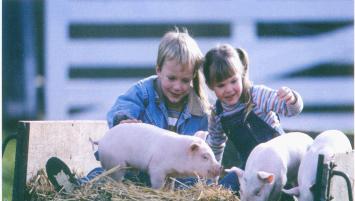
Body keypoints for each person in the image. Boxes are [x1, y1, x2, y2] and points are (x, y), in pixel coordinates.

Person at [46, 27, 211, 191]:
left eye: (185, 80)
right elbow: (124, 106)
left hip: (174, 180)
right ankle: (76, 188)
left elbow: (201, 152)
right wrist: (124, 121)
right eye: (172, 78)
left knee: (190, 185)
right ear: (159, 70)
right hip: (138, 168)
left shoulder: (199, 111)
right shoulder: (144, 92)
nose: (177, 86)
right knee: (110, 174)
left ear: (193, 77)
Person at [203, 44, 303, 191]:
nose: (229, 89)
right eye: (221, 85)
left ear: (242, 75)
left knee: (285, 193)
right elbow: (216, 146)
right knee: (223, 191)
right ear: (211, 86)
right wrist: (211, 179)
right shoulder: (218, 114)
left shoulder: (257, 96)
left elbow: (291, 110)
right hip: (250, 169)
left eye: (233, 81)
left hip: (281, 163)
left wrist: (292, 99)